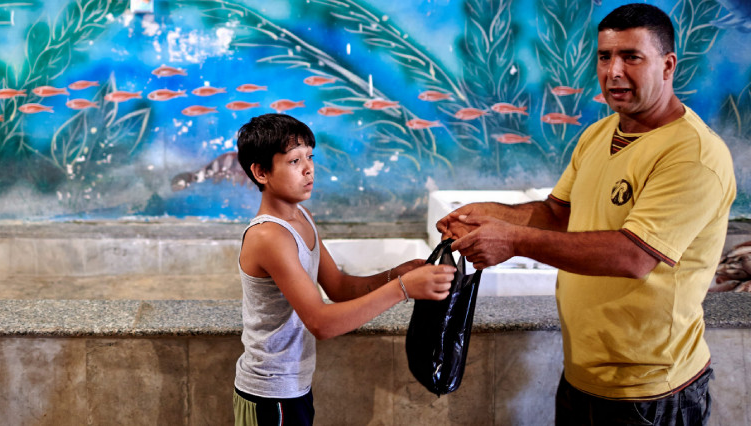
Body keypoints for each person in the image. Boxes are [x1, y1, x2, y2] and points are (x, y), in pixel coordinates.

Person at [436, 3, 735, 425]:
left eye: (631, 57)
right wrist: (490, 215)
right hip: (583, 377)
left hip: (651, 391)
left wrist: (513, 240)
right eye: (605, 56)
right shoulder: (599, 134)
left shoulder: (693, 155)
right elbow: (557, 215)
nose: (613, 71)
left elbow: (632, 257)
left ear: (668, 66)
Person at [233, 113, 456, 425]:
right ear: (261, 172)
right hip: (269, 393)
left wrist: (398, 273)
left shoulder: (301, 217)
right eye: (294, 161)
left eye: (310, 156)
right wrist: (403, 289)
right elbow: (321, 324)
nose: (309, 169)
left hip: (292, 386)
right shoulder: (269, 236)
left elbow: (339, 287)